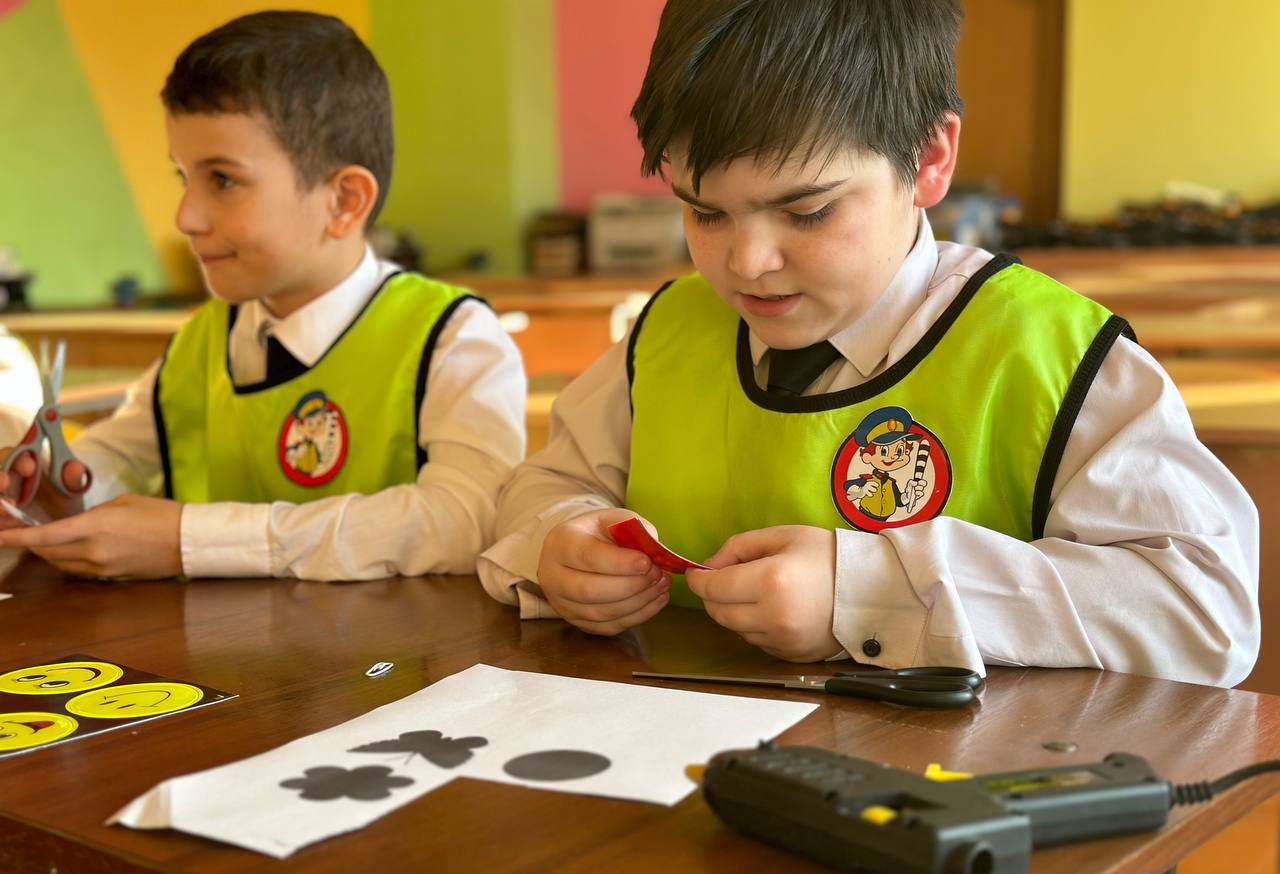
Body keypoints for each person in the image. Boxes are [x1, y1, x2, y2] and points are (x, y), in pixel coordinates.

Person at [478, 0, 1258, 692]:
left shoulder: (1052, 355)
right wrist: (559, 541)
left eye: (807, 212)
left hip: (956, 789)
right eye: (704, 213)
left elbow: (1206, 611)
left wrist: (873, 593)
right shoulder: (669, 332)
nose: (747, 262)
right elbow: (542, 487)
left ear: (929, 158)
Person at [0, 11, 525, 581]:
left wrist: (192, 540)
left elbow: (465, 519)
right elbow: (116, 457)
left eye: (222, 180)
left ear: (344, 201)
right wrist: (55, 488)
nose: (185, 217)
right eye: (183, 177)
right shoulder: (202, 339)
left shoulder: (452, 337)